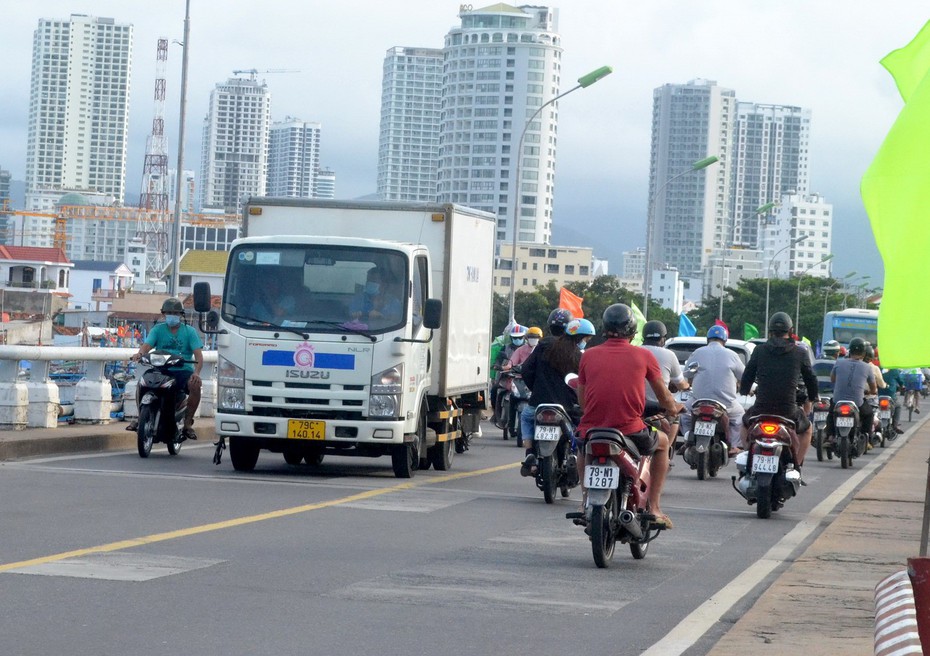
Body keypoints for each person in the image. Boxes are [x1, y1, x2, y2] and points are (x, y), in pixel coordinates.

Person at [575, 304, 682, 529]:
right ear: (633, 331)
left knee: (582, 447)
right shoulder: (644, 355)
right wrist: (673, 408)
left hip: (592, 430)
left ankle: (585, 500)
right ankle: (653, 506)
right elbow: (664, 397)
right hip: (631, 429)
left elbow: (583, 402)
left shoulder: (588, 356)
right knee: (662, 443)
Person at [739, 312, 819, 470]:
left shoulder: (760, 350)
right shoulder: (800, 352)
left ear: (770, 331)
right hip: (788, 411)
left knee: (743, 423)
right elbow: (810, 378)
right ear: (791, 330)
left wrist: (744, 390)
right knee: (808, 429)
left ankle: (749, 455)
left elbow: (747, 375)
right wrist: (813, 397)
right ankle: (797, 467)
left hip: (762, 409)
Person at [127, 297, 204, 440]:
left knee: (195, 385)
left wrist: (196, 373)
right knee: (142, 383)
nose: (171, 316)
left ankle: (187, 424)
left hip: (182, 370)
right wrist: (139, 354)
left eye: (175, 313)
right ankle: (140, 417)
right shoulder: (157, 330)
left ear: (181, 315)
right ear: (163, 314)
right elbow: (147, 346)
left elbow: (199, 356)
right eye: (168, 312)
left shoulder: (190, 332)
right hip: (160, 369)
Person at [519, 309, 576, 475]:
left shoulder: (541, 347)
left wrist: (535, 388)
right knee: (579, 427)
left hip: (539, 402)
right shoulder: (574, 350)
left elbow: (526, 370)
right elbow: (581, 379)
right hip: (567, 405)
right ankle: (574, 454)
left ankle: (530, 453)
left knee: (526, 417)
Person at [683, 325, 745, 456]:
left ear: (708, 339)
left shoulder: (698, 352)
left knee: (683, 413)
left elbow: (687, 374)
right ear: (725, 340)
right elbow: (744, 377)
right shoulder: (732, 355)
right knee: (739, 416)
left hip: (698, 401)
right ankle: (734, 446)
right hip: (726, 404)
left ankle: (688, 438)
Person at [640, 319, 689, 455]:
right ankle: (665, 451)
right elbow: (680, 383)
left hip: (635, 406)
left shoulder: (635, 351)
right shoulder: (669, 354)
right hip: (658, 408)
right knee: (675, 415)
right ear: (662, 339)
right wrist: (686, 386)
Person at [828, 336, 877, 448]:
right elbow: (873, 388)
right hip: (858, 402)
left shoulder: (839, 362)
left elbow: (832, 379)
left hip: (838, 400)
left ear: (850, 350)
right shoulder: (867, 367)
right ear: (864, 353)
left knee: (831, 413)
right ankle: (866, 437)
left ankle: (830, 436)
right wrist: (871, 392)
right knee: (869, 414)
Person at [491, 324, 527, 426]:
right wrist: (497, 365)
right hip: (507, 376)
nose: (517, 340)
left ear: (524, 337)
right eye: (515, 338)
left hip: (522, 379)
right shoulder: (505, 348)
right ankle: (495, 413)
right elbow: (498, 359)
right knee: (494, 390)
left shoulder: (528, 349)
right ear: (511, 338)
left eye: (520, 337)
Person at [881, 366, 906, 434]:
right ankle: (895, 425)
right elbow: (901, 382)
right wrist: (903, 386)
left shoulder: (878, 368)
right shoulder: (895, 370)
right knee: (898, 406)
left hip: (879, 395)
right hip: (891, 395)